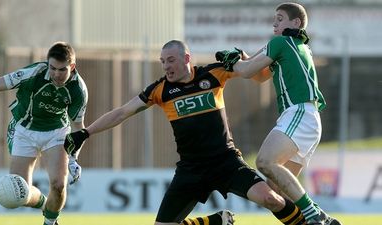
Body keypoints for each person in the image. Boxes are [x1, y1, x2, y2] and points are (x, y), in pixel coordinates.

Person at [64, 40, 308, 225]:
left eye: (170, 60)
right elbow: (121, 112)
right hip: (191, 170)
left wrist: (242, 57)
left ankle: (312, 221)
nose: (166, 66)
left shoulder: (214, 74)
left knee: (271, 200)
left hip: (227, 162)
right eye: (162, 61)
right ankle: (212, 222)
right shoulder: (160, 90)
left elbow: (259, 75)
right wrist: (85, 132)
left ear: (186, 58)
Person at [215, 2, 341, 225]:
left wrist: (234, 62)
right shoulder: (294, 44)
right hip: (307, 118)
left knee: (264, 162)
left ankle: (315, 215)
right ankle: (322, 220)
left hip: (299, 113)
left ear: (296, 23)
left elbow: (246, 71)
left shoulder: (280, 42)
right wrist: (242, 58)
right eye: (275, 18)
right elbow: (260, 74)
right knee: (277, 193)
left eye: (280, 18)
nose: (274, 23)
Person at [0, 42, 88, 225]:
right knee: (20, 193)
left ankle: (50, 221)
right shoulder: (33, 73)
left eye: (62, 70)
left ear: (72, 67)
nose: (56, 74)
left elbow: (78, 126)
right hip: (23, 131)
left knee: (58, 185)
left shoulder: (78, 90)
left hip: (56, 133)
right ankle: (43, 203)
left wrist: (74, 158)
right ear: (47, 63)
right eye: (52, 68)